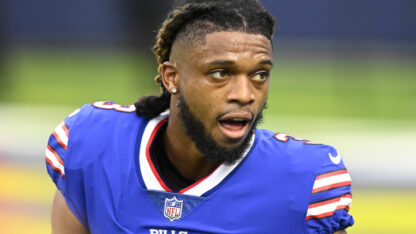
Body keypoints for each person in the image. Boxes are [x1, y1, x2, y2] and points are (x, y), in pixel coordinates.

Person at [45, 0, 354, 233]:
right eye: (221, 73)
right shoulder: (94, 145)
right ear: (171, 78)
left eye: (260, 74)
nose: (245, 94)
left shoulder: (302, 181)